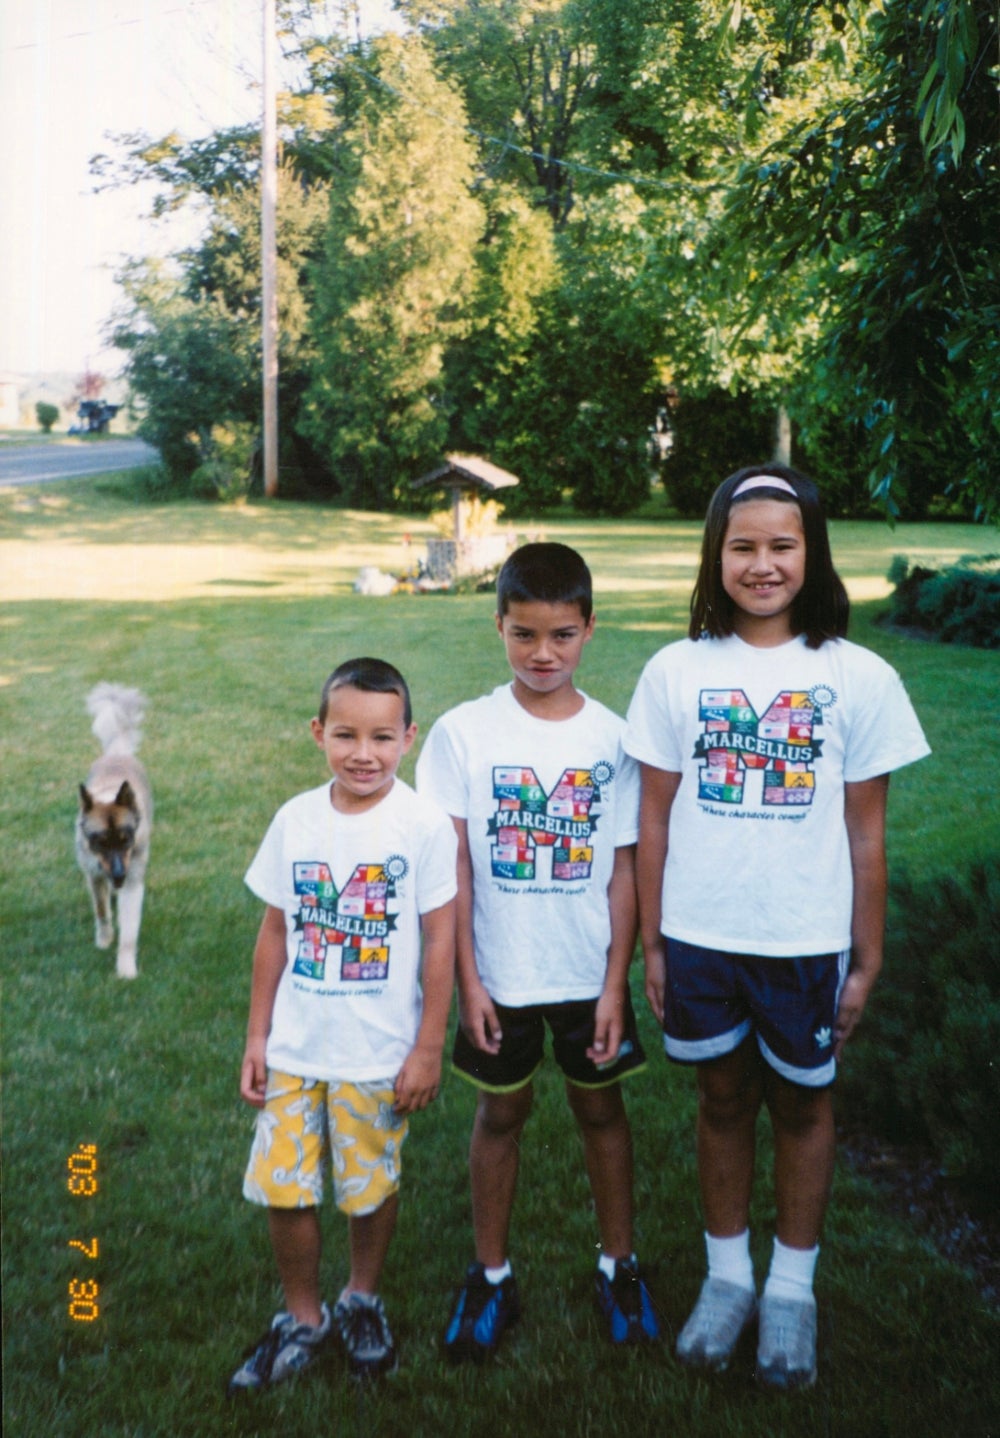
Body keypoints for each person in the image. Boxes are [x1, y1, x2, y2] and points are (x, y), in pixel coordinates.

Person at [625, 466, 930, 1390]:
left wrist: (866, 956)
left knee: (801, 1105)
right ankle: (728, 1280)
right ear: (715, 555)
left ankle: (791, 1289)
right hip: (702, 935)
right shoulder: (677, 670)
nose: (762, 565)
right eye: (743, 546)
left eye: (782, 546)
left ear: (814, 553)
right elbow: (654, 821)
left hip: (804, 941)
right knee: (721, 1100)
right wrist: (653, 941)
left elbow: (865, 828)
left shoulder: (857, 675)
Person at [416, 542, 659, 1360]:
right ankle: (491, 1276)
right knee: (501, 1112)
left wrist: (615, 982)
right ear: (498, 628)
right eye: (524, 635)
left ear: (591, 628)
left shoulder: (615, 739)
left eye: (561, 635)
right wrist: (469, 982)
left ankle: (618, 1266)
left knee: (602, 1111)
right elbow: (450, 873)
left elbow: (623, 869)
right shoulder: (461, 734)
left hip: (588, 974)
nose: (543, 654)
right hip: (502, 974)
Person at [227, 658, 457, 1394]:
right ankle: (305, 1317)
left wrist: (428, 1047)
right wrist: (257, 1037)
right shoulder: (296, 819)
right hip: (296, 1049)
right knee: (286, 1188)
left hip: (377, 1054)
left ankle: (360, 1298)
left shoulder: (422, 825)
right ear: (318, 733)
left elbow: (442, 943)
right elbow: (274, 933)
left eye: (383, 737)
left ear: (409, 738)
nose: (365, 753)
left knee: (367, 1187)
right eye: (347, 735)